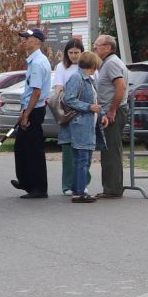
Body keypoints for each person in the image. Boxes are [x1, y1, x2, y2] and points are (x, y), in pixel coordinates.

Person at [10, 28, 53, 199]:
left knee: (33, 150)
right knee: (22, 147)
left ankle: (39, 188)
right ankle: (26, 181)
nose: (24, 40)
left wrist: (26, 114)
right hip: (31, 108)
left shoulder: (37, 63)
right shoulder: (35, 61)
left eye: (27, 38)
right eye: (24, 38)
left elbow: (36, 91)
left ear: (37, 41)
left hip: (34, 109)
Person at [64, 51, 103, 203]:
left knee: (85, 159)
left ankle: (78, 189)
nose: (95, 69)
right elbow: (69, 99)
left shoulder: (89, 80)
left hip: (89, 124)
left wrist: (102, 114)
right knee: (81, 159)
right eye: (95, 66)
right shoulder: (77, 78)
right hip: (80, 124)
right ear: (91, 65)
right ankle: (79, 192)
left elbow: (95, 100)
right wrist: (89, 107)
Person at [93, 34, 129, 199]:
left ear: (107, 47)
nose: (94, 48)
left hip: (114, 111)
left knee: (111, 151)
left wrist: (112, 110)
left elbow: (120, 86)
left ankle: (113, 189)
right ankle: (112, 186)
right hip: (110, 110)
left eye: (97, 45)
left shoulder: (112, 63)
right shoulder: (107, 63)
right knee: (109, 150)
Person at [54, 37, 87, 195]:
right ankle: (67, 185)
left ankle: (82, 183)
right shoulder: (61, 67)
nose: (74, 55)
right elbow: (58, 88)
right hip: (68, 112)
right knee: (68, 150)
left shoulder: (87, 67)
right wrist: (64, 102)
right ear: (67, 53)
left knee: (84, 149)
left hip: (85, 112)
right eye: (71, 52)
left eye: (77, 52)